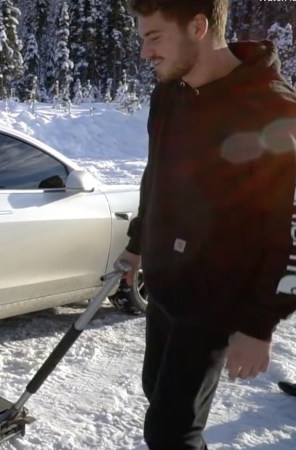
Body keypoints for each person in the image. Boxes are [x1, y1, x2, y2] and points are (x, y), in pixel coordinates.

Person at [116, 1, 296, 448]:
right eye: (142, 38)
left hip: (217, 297)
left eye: (154, 37)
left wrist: (259, 325)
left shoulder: (274, 108)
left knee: (171, 431)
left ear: (198, 26)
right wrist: (139, 244)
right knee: (155, 393)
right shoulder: (170, 93)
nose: (144, 53)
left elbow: (290, 229)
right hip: (166, 285)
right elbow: (155, 174)